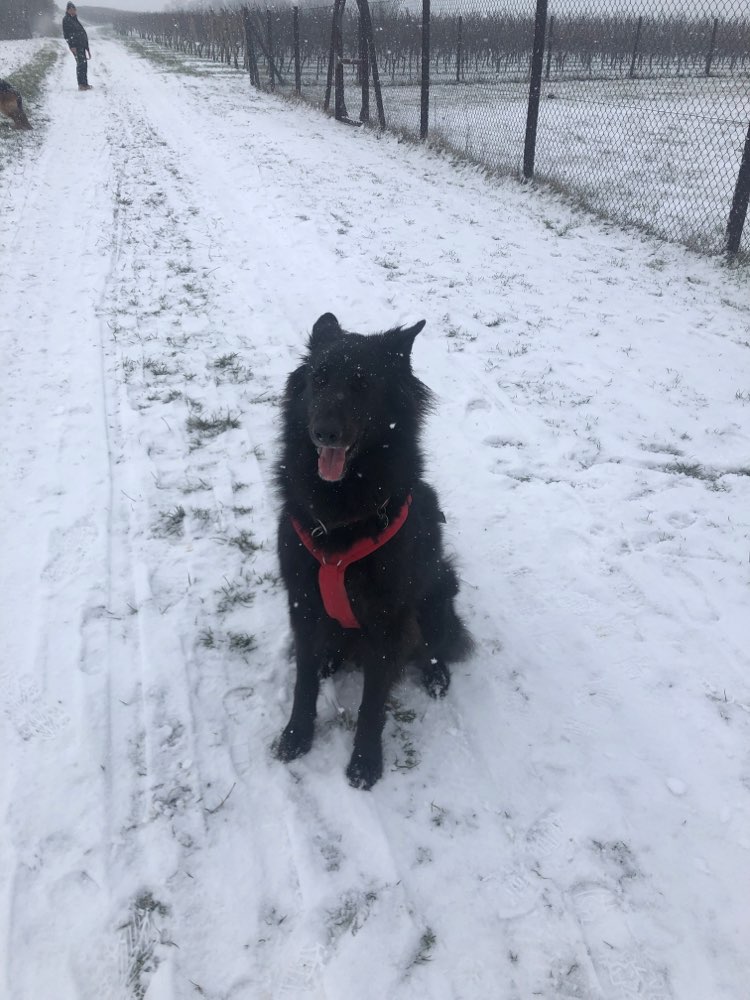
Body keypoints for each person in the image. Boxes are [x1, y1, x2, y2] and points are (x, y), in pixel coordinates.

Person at [62, 3, 92, 91]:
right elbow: (67, 34)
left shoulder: (74, 19)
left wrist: (86, 46)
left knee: (83, 64)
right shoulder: (66, 19)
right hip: (76, 46)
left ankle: (85, 84)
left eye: (74, 9)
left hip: (81, 45)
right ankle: (81, 85)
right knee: (81, 64)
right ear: (67, 10)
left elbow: (81, 32)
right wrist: (72, 46)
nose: (73, 11)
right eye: (70, 9)